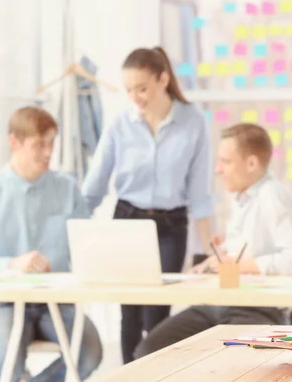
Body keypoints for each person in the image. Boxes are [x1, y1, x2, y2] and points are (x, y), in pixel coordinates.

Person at [133, 123, 292, 359]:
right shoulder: (241, 198)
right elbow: (247, 249)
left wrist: (239, 266)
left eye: (226, 162)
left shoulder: (272, 195)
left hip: (256, 309)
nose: (219, 170)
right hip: (220, 303)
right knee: (150, 352)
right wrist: (214, 262)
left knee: (226, 363)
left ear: (252, 164)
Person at [81, 46, 214, 363]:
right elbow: (94, 187)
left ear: (163, 79)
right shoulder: (119, 125)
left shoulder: (193, 122)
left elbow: (200, 195)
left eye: (142, 88)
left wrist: (210, 253)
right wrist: (73, 233)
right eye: (129, 90)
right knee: (129, 313)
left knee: (157, 312)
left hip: (171, 226)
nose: (135, 96)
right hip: (127, 220)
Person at [0, 107, 102, 382]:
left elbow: (88, 246)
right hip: (3, 303)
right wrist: (10, 264)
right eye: (39, 145)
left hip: (55, 302)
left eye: (51, 143)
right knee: (7, 367)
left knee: (90, 352)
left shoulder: (67, 189)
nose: (48, 153)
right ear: (14, 142)